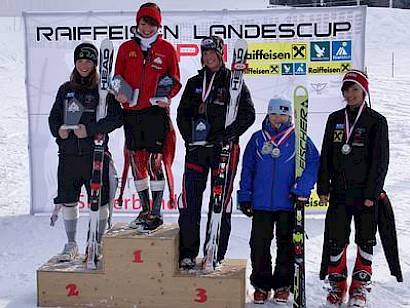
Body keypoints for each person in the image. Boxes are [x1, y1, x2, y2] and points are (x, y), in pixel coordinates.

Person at [176, 35, 255, 270]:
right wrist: (190, 138)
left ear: (221, 55)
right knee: (190, 200)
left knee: (220, 201)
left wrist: (230, 134)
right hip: (197, 149)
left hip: (224, 149)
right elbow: (182, 114)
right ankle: (188, 253)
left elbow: (248, 114)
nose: (208, 57)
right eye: (205, 54)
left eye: (213, 53)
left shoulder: (234, 82)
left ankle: (215, 251)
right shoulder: (194, 82)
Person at [317, 69, 389, 307]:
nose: (350, 94)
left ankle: (360, 286)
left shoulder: (377, 121)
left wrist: (372, 193)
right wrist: (323, 186)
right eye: (346, 90)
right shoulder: (334, 118)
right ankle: (337, 285)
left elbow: (381, 161)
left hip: (365, 194)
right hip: (339, 191)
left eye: (354, 89)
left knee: (366, 239)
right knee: (336, 239)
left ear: (364, 91)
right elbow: (326, 154)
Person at [237, 96, 319, 304]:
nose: (278, 118)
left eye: (283, 114)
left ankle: (283, 285)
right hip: (262, 202)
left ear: (290, 115)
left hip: (288, 202)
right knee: (259, 244)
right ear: (268, 114)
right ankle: (261, 285)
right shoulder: (257, 138)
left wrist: (302, 188)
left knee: (287, 245)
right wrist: (245, 195)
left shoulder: (299, 138)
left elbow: (313, 163)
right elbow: (247, 169)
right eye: (274, 113)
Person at [48, 42, 123, 262]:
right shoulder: (65, 89)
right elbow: (54, 118)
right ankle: (71, 243)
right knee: (69, 199)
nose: (84, 65)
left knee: (98, 202)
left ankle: (97, 242)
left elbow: (116, 118)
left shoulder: (105, 88)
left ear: (95, 64)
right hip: (69, 156)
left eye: (88, 61)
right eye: (80, 60)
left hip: (95, 154)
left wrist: (90, 130)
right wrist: (58, 131)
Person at [114, 2, 181, 231]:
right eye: (144, 23)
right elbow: (116, 78)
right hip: (132, 113)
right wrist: (120, 94)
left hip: (155, 113)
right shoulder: (125, 48)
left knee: (155, 162)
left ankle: (156, 212)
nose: (147, 29)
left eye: (152, 24)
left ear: (158, 26)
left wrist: (167, 96)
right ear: (137, 23)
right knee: (136, 161)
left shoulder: (167, 49)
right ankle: (144, 210)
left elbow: (175, 79)